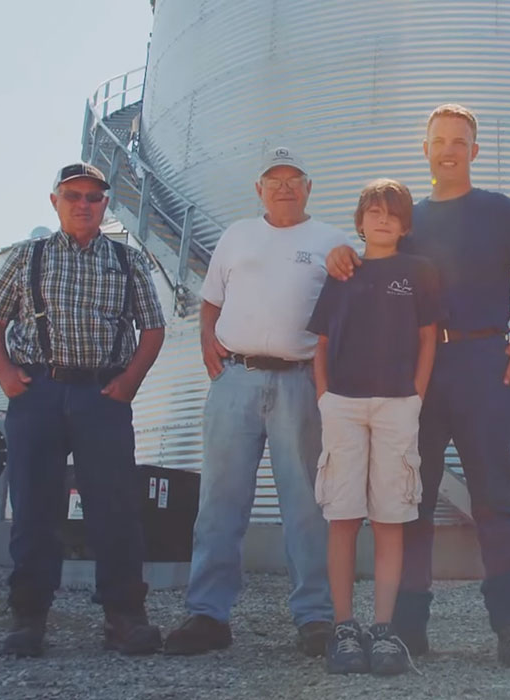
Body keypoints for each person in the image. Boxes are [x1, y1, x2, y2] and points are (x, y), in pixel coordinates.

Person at [327, 105, 510, 669]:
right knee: (413, 498)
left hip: (487, 362)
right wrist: (341, 254)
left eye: (460, 141)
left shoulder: (502, 212)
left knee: (495, 495)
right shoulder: (410, 219)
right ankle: (408, 625)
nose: (449, 149)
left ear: (474, 151)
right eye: (439, 141)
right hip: (420, 371)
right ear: (425, 149)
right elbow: (372, 261)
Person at [0, 162, 167, 657]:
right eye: (73, 195)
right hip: (37, 391)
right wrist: (3, 374)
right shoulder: (28, 258)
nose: (84, 204)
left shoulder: (128, 261)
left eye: (94, 196)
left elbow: (153, 328)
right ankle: (30, 617)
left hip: (101, 396)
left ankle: (124, 616)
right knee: (35, 507)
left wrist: (129, 381)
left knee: (116, 507)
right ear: (56, 201)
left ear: (106, 204)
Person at [164, 147, 344, 657]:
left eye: (294, 178)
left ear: (309, 188)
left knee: (307, 504)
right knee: (220, 502)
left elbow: (350, 311)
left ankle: (314, 617)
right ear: (259, 189)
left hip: (300, 382)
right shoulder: (236, 235)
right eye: (274, 179)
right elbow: (211, 300)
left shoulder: (332, 241)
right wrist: (207, 340)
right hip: (235, 380)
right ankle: (208, 614)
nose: (284, 186)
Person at [308, 179, 442, 675]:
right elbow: (320, 342)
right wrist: (324, 397)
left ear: (405, 225)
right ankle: (345, 627)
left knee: (390, 517)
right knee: (342, 516)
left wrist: (416, 397)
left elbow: (429, 338)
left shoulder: (419, 272)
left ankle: (384, 629)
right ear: (360, 219)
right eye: (374, 212)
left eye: (392, 214)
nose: (382, 220)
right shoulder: (343, 271)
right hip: (342, 404)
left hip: (396, 406)